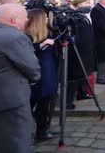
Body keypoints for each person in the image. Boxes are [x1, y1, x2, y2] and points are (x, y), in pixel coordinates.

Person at [0, 4, 40, 153]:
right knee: (16, 141)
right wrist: (35, 78)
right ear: (14, 19)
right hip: (11, 100)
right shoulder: (15, 37)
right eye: (24, 17)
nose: (27, 20)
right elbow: (32, 68)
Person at [24, 9, 59, 141]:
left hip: (49, 71)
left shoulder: (48, 31)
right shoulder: (26, 35)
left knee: (45, 103)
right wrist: (42, 45)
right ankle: (34, 131)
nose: (46, 20)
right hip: (38, 71)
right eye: (44, 18)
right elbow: (27, 52)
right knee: (33, 102)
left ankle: (42, 132)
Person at [66, 0, 96, 110]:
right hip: (77, 51)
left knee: (83, 75)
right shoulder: (73, 17)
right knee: (74, 77)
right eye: (85, 3)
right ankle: (68, 101)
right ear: (78, 5)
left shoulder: (83, 16)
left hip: (86, 50)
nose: (88, 5)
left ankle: (81, 93)